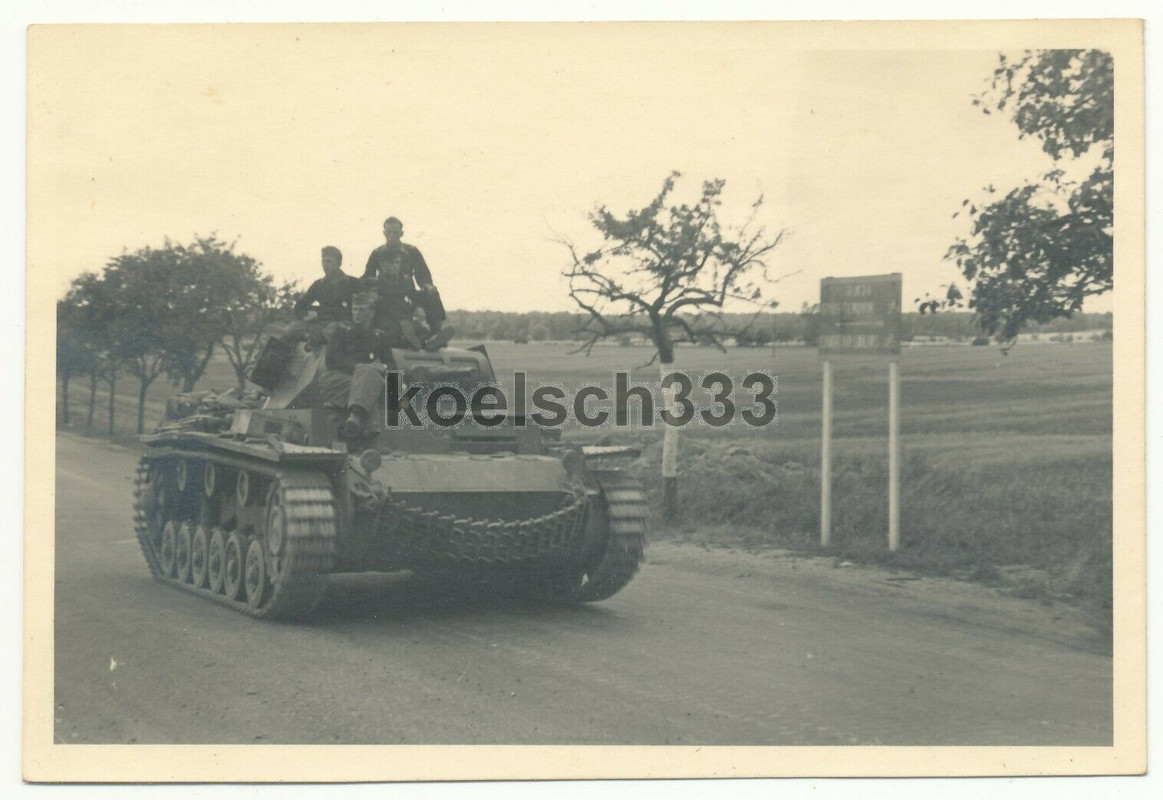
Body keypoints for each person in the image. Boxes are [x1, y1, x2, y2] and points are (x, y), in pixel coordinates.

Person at [362, 217, 454, 349]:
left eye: (395, 232)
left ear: (401, 233)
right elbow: (368, 277)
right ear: (384, 233)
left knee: (432, 292)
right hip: (386, 297)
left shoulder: (411, 251)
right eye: (388, 232)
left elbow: (423, 274)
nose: (391, 236)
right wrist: (371, 292)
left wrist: (427, 285)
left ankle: (435, 334)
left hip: (409, 295)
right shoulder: (377, 253)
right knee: (403, 330)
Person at [294, 246, 360, 322]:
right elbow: (299, 307)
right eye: (323, 261)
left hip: (348, 327)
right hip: (324, 327)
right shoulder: (318, 285)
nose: (325, 265)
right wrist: (313, 315)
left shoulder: (353, 283)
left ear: (339, 263)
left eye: (329, 261)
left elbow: (364, 308)